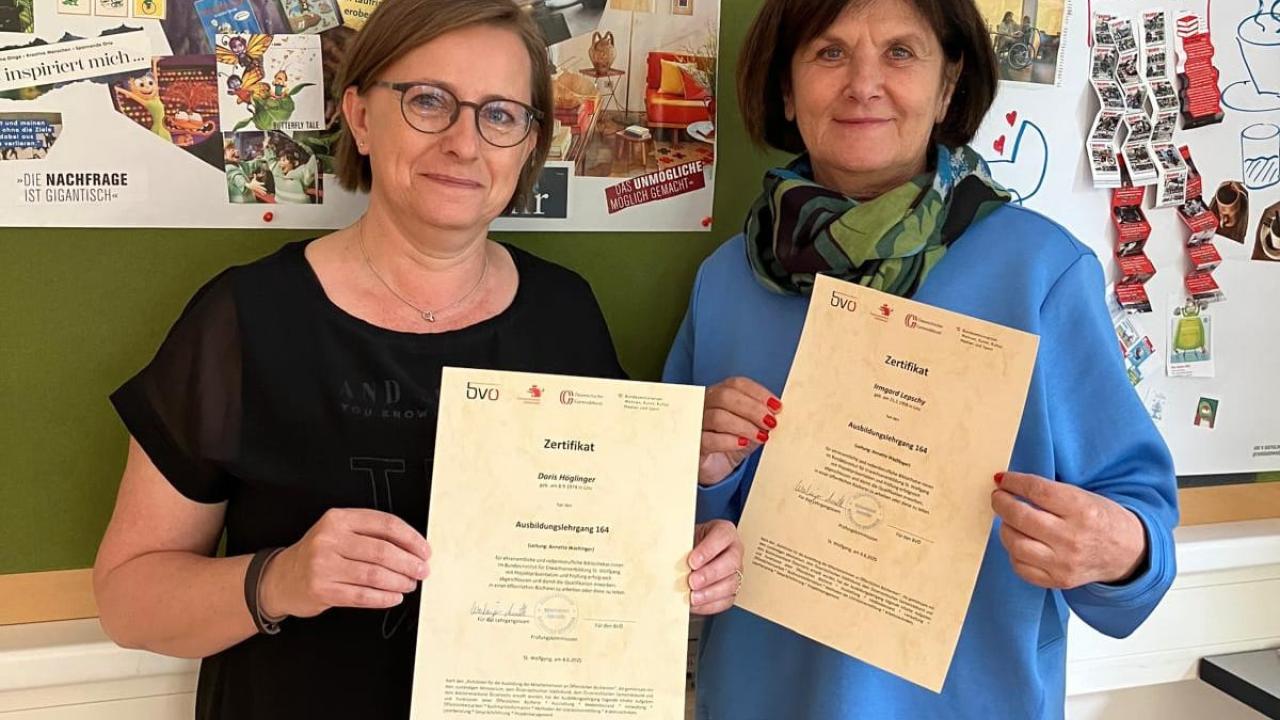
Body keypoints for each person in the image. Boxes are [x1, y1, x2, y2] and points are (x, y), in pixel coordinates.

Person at [93, 1, 743, 718]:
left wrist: (679, 563)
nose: (465, 143)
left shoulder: (565, 316)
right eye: (429, 101)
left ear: (529, 144)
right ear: (361, 118)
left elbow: (595, 547)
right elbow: (128, 601)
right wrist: (282, 579)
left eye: (501, 114)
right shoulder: (246, 318)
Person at [664, 0, 1178, 718]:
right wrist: (704, 474)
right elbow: (661, 518)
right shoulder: (728, 279)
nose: (863, 84)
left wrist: (1119, 552)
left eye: (900, 53)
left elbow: (1137, 525)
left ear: (948, 87)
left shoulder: (1040, 271)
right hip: (759, 699)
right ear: (786, 88)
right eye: (829, 52)